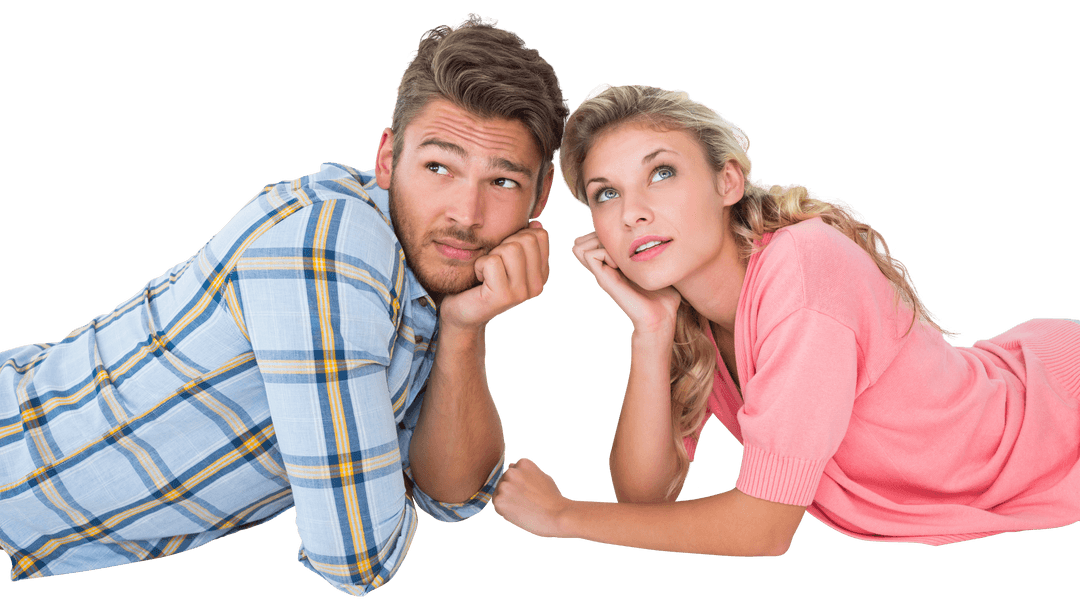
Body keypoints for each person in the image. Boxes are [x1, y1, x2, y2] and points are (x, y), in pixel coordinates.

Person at [0, 13, 568, 596]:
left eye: (502, 182)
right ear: (386, 158)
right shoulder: (331, 250)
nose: (466, 215)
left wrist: (464, 327)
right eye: (438, 167)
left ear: (541, 194)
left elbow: (450, 493)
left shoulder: (420, 270)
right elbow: (357, 560)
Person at [492, 84, 1080, 555]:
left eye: (662, 173)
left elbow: (764, 529)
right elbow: (644, 497)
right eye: (606, 194)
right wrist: (651, 331)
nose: (633, 214)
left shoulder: (801, 275)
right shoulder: (692, 311)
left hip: (1052, 416)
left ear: (728, 182)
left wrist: (564, 517)